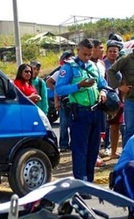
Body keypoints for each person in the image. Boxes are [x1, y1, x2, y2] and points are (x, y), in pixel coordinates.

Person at [55, 38, 108, 185]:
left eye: (89, 54)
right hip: (79, 113)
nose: (87, 57)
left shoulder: (94, 66)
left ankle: (89, 182)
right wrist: (78, 85)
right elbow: (59, 89)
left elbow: (103, 84)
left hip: (96, 112)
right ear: (78, 50)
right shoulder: (69, 67)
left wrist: (103, 92)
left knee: (93, 150)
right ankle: (81, 183)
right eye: (84, 54)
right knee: (80, 151)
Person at [46, 51, 74, 152]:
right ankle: (63, 145)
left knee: (74, 124)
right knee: (64, 124)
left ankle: (73, 144)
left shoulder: (75, 72)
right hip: (64, 102)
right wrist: (57, 100)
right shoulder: (60, 73)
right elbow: (49, 82)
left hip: (74, 101)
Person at [103, 40, 125, 160]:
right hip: (105, 99)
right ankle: (104, 148)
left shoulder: (121, 65)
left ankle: (113, 152)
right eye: (110, 51)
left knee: (116, 127)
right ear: (106, 52)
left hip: (117, 100)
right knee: (104, 128)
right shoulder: (102, 64)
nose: (112, 53)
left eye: (114, 51)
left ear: (118, 53)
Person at [90, 39, 107, 167]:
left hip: (101, 102)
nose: (102, 50)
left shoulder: (101, 63)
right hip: (89, 103)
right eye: (100, 47)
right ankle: (92, 156)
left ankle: (96, 153)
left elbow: (104, 82)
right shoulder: (85, 64)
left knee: (101, 130)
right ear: (93, 49)